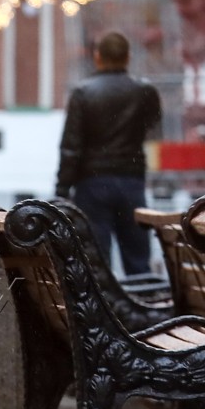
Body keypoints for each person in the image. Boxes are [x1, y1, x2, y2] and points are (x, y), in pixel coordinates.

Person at [57, 31, 161, 277]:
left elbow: (71, 147)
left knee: (96, 261)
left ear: (98, 57)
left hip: (92, 184)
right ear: (128, 57)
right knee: (137, 259)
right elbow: (152, 128)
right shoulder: (145, 92)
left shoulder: (82, 93)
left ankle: (102, 313)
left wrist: (61, 190)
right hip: (131, 180)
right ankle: (141, 309)